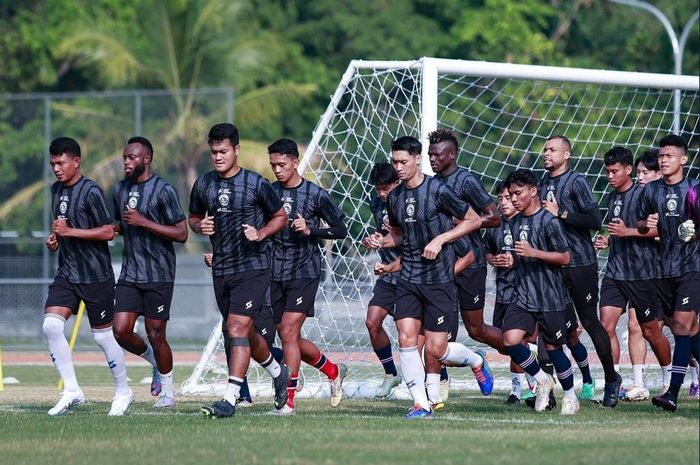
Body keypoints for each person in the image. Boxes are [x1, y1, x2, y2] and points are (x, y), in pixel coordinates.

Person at [369, 136, 492, 419]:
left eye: (403, 162)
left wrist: (442, 239)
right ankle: (422, 405)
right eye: (394, 162)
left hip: (438, 280)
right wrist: (383, 241)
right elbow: (399, 234)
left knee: (437, 350)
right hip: (409, 277)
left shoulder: (438, 190)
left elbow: (473, 220)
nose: (398, 167)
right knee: (407, 338)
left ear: (416, 159)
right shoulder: (396, 196)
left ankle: (475, 359)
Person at [189, 123, 289, 418]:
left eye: (223, 151)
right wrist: (199, 225)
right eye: (213, 152)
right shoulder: (204, 184)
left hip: (254, 268)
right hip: (221, 269)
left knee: (235, 329)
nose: (218, 157)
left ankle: (230, 399)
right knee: (244, 332)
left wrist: (261, 233)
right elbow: (193, 217)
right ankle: (277, 372)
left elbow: (280, 217)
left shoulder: (256, 184)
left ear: (236, 150)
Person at [42, 137, 132, 416]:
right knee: (51, 327)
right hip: (67, 273)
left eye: (61, 163)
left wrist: (71, 233)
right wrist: (55, 238)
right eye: (53, 163)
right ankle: (71, 390)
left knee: (104, 338)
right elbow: (62, 227)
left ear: (76, 161)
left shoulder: (91, 191)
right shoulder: (56, 190)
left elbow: (108, 232)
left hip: (96, 276)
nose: (56, 168)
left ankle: (123, 390)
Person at [267, 138, 349, 415]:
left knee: (288, 331)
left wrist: (312, 229)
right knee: (286, 335)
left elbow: (340, 229)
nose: (277, 170)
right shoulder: (268, 193)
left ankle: (288, 400)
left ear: (294, 161)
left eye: (281, 164)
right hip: (275, 270)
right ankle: (333, 370)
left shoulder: (316, 194)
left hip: (304, 270)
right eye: (273, 165)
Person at [540, 135, 622, 407]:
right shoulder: (542, 183)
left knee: (589, 320)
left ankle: (612, 379)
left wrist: (561, 213)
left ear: (566, 155)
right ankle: (547, 389)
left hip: (580, 263)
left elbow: (594, 220)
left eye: (552, 149)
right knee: (549, 323)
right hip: (553, 265)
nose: (547, 153)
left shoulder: (576, 181)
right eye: (545, 149)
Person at [111, 136, 188, 409]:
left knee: (156, 335)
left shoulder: (163, 190)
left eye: (132, 157)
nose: (126, 162)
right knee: (119, 330)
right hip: (131, 273)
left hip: (159, 273)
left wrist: (144, 222)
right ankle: (155, 361)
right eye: (124, 158)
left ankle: (168, 392)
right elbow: (119, 225)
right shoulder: (119, 189)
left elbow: (181, 233)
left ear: (147, 159)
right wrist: (111, 230)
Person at [594, 147, 671, 403]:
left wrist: (627, 232)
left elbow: (661, 230)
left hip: (642, 274)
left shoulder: (645, 195)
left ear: (627, 170)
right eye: (607, 171)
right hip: (616, 272)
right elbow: (619, 231)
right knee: (605, 326)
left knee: (650, 332)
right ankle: (612, 381)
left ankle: (669, 378)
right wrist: (607, 241)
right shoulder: (613, 198)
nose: (610, 176)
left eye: (614, 171)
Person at [502, 169, 579, 415]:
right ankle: (542, 379)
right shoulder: (514, 222)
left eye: (518, 193)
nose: (513, 199)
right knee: (510, 340)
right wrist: (511, 260)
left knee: (555, 349)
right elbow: (522, 255)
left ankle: (570, 395)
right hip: (523, 295)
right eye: (510, 194)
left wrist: (534, 252)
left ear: (533, 191)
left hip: (550, 297)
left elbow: (565, 257)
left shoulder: (549, 221)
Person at [427, 129, 505, 357]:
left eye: (438, 154)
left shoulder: (466, 181)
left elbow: (494, 217)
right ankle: (438, 382)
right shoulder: (431, 184)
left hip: (471, 264)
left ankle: (526, 353)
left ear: (451, 155)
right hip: (443, 264)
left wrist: (463, 221)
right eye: (430, 154)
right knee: (436, 329)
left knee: (475, 329)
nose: (433, 159)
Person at [637, 134, 699, 412]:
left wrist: (695, 233)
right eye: (661, 156)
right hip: (664, 269)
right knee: (691, 331)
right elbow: (640, 223)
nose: (663, 161)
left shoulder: (694, 190)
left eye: (669, 156)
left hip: (692, 268)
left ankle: (672, 393)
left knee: (681, 328)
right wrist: (644, 223)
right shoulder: (652, 191)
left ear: (683, 159)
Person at [484, 180, 535, 404]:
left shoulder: (528, 222)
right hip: (503, 293)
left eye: (508, 197)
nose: (504, 203)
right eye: (501, 199)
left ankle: (523, 389)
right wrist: (494, 259)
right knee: (509, 346)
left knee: (521, 342)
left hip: (525, 293)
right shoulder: (496, 225)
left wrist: (517, 258)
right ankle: (528, 382)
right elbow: (487, 250)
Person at [361, 162, 403, 399]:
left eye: (385, 188)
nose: (382, 194)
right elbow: (383, 235)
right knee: (372, 321)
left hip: (411, 272)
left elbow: (414, 239)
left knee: (413, 334)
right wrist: (373, 240)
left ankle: (441, 378)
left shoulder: (409, 201)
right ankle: (390, 373)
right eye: (378, 189)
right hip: (388, 275)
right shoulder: (377, 203)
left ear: (397, 183)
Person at [684, 181, 700, 400]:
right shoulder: (693, 193)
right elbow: (690, 231)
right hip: (694, 267)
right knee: (686, 325)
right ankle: (695, 379)